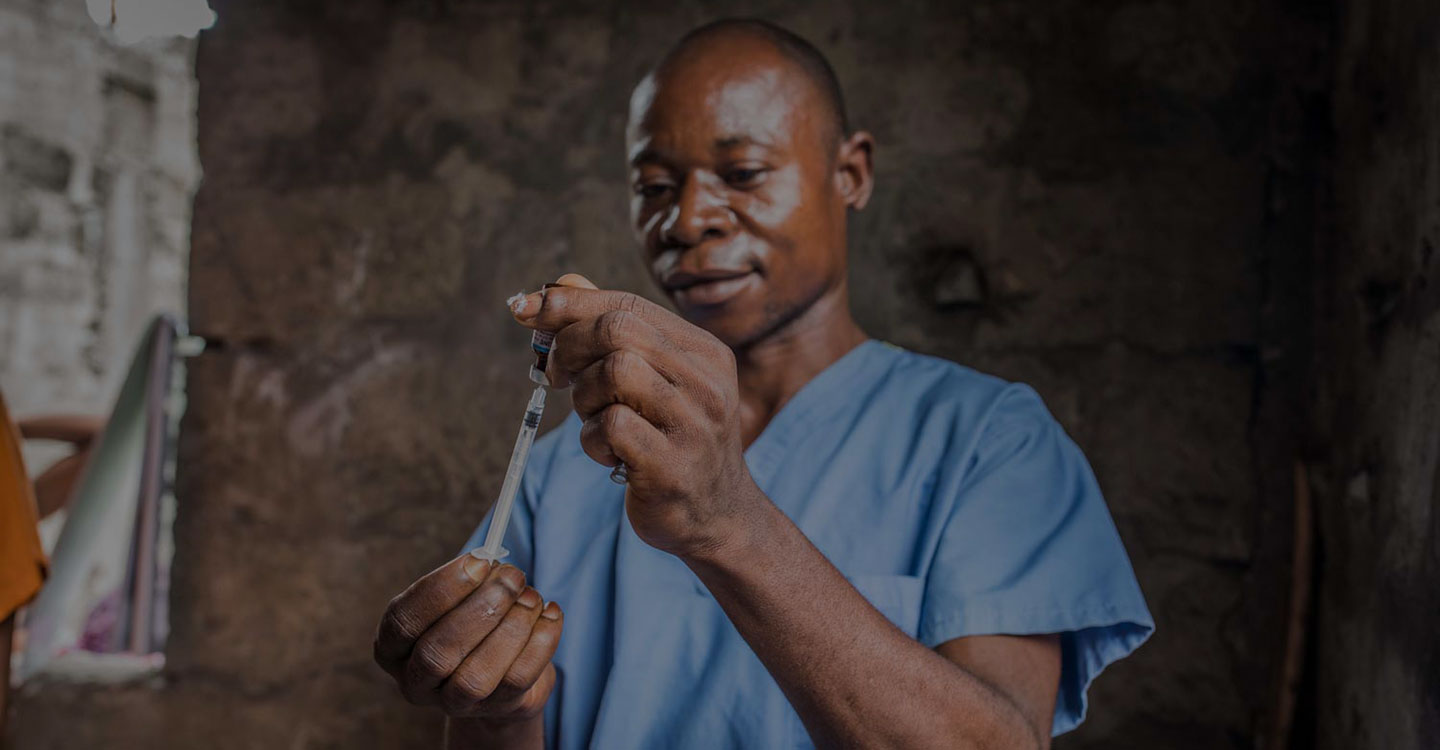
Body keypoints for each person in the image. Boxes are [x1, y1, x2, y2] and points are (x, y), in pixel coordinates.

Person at [374, 18, 1151, 750]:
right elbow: (493, 719)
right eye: (652, 187)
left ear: (849, 174)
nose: (685, 220)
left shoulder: (992, 442)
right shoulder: (560, 470)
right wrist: (501, 710)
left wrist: (728, 520)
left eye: (741, 173)